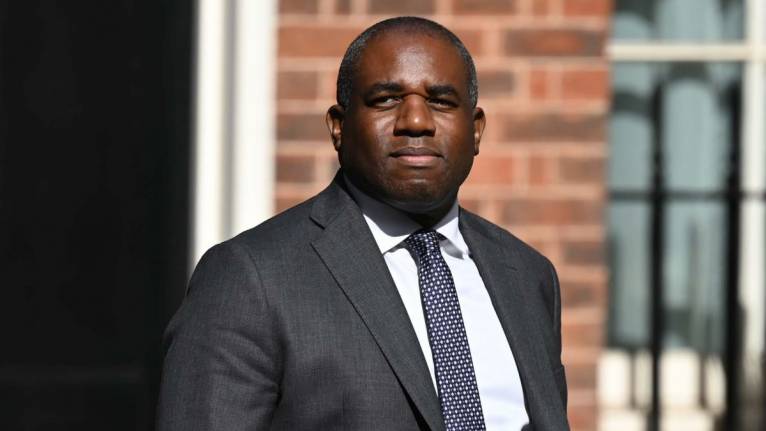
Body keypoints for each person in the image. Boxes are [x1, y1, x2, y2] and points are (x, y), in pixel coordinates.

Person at [157, 16, 568, 431]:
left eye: (441, 101)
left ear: (476, 130)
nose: (416, 121)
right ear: (339, 127)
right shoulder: (251, 277)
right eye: (386, 99)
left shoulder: (527, 275)